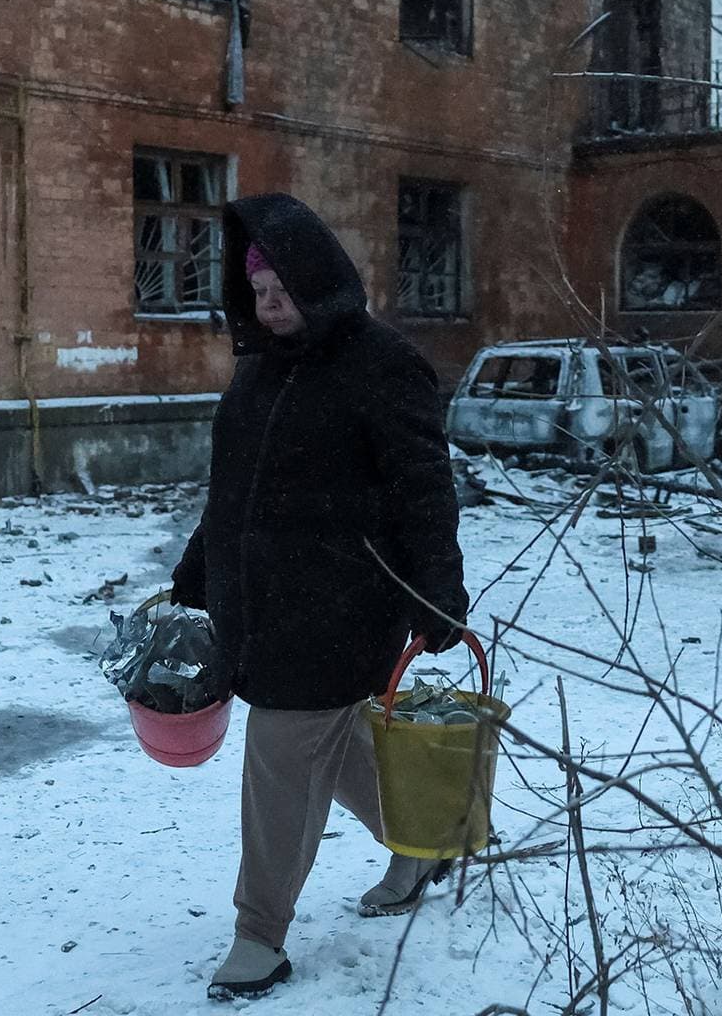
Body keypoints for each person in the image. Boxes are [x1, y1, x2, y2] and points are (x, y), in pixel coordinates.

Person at [171, 192, 469, 1001]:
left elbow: (423, 487)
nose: (269, 307)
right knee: (330, 744)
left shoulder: (383, 364)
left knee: (281, 753)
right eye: (258, 292)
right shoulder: (262, 367)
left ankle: (257, 937)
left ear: (319, 279)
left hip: (340, 606)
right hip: (260, 602)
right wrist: (199, 564)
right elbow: (234, 487)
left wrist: (438, 590)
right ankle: (425, 843)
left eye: (283, 291)